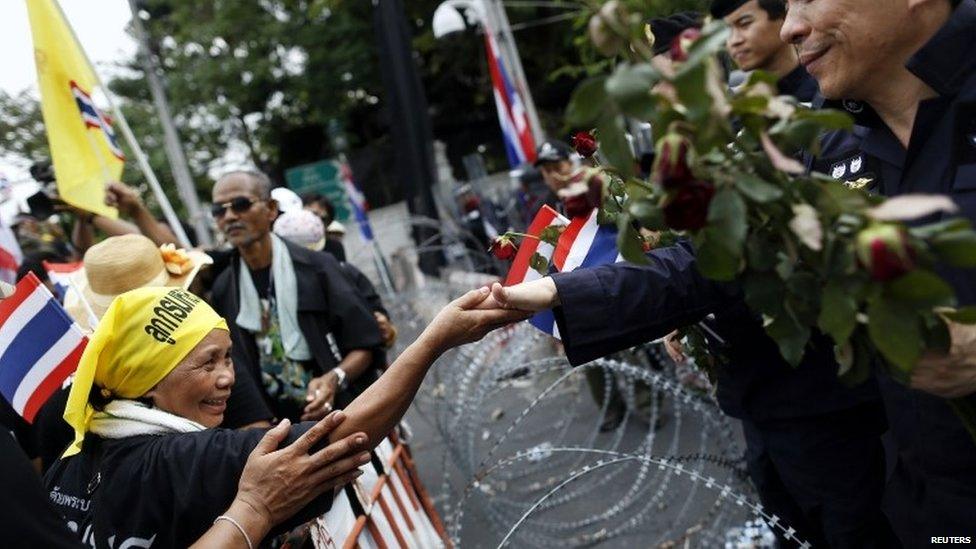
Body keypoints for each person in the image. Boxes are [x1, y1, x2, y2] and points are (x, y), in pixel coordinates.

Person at [43, 284, 526, 548]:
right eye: (206, 362)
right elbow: (343, 435)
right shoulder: (186, 459)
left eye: (228, 357)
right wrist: (433, 341)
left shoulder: (69, 461)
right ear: (147, 378)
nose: (228, 377)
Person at [779, 0, 976, 544]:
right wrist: (565, 291)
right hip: (930, 508)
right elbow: (738, 257)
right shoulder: (829, 145)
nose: (790, 26)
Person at [209, 171, 381, 423]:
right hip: (282, 429)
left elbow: (366, 343)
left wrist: (335, 377)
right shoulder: (224, 287)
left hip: (343, 415)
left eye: (241, 204)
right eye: (219, 210)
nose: (230, 216)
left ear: (270, 209)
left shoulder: (319, 268)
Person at [712, 0, 819, 102]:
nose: (734, 41)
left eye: (745, 23)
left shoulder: (824, 89)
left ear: (784, 19)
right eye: (726, 31)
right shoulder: (731, 103)